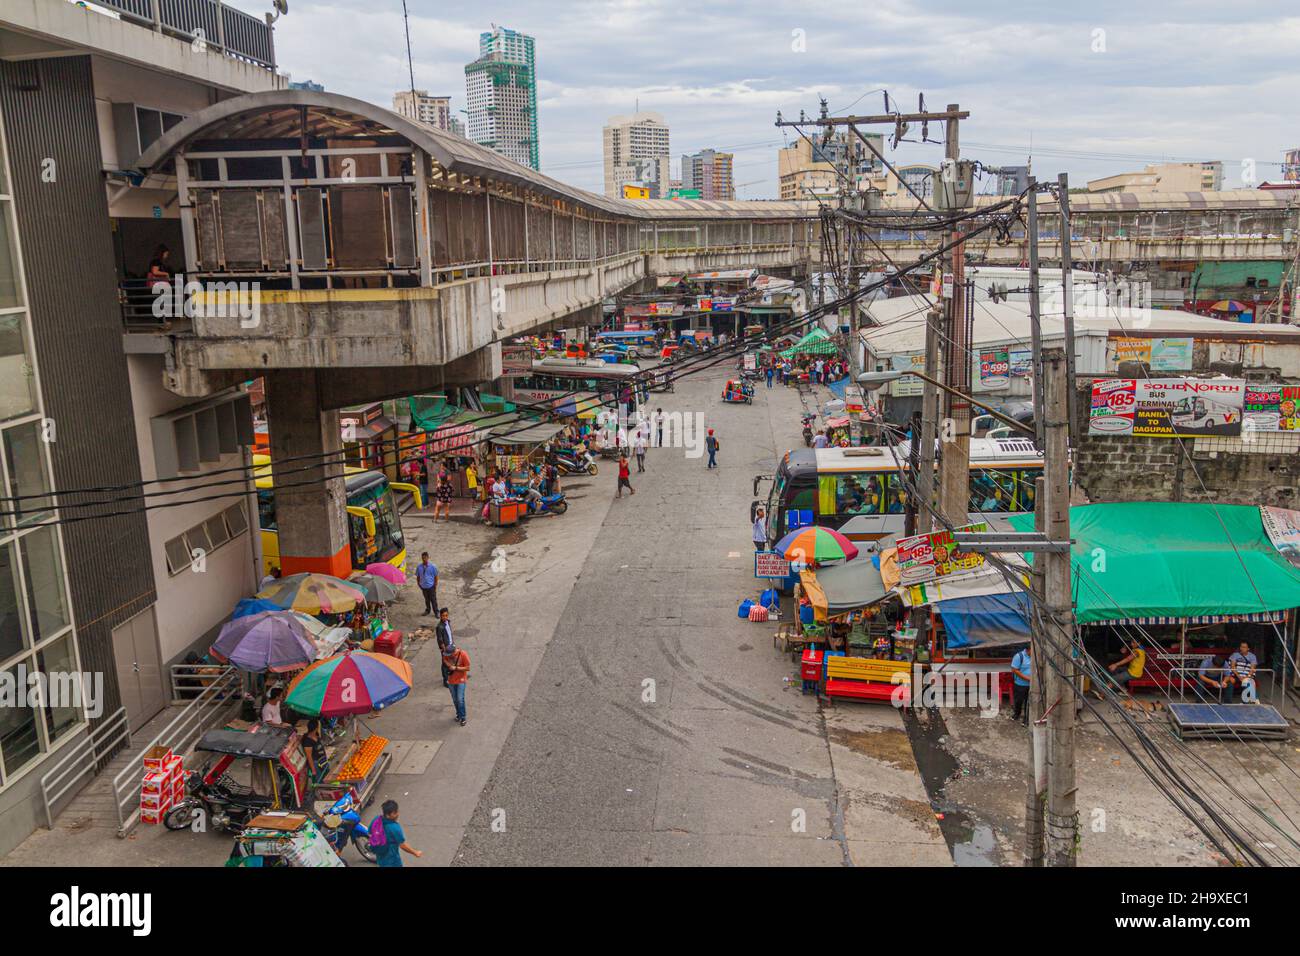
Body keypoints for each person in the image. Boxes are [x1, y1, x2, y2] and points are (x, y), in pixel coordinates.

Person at [372, 800, 422, 867]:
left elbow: (370, 833)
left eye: (397, 811)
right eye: (395, 813)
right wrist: (415, 852)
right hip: (392, 861)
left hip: (380, 859)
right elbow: (402, 845)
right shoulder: (394, 828)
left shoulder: (376, 819)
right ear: (387, 815)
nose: (398, 814)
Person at [443, 640, 470, 726]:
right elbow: (444, 659)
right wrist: (449, 665)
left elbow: (468, 668)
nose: (448, 656)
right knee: (455, 699)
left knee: (460, 699)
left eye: (449, 655)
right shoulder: (446, 654)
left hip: (461, 680)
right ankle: (458, 714)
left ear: (453, 652)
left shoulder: (463, 654)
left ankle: (463, 717)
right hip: (451, 680)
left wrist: (456, 668)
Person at [1010, 645, 1031, 724]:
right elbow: (1014, 670)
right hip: (1020, 684)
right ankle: (1017, 714)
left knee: (1028, 702)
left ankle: (1026, 718)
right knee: (1019, 700)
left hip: (1031, 684)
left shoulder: (1035, 657)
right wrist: (1027, 678)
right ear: (1028, 649)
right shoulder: (1019, 656)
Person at [435, 608, 453, 688]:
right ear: (440, 616)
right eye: (443, 616)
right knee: (445, 664)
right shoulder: (439, 627)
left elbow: (449, 634)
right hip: (445, 648)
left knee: (451, 661)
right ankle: (445, 680)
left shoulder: (448, 622)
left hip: (451, 645)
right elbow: (440, 639)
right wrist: (444, 649)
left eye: (446, 615)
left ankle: (450, 676)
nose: (445, 617)